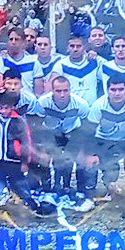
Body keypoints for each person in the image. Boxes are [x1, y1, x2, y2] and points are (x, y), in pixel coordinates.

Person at [30, 71, 93, 207]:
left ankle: (76, 189)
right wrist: (40, 148)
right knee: (49, 159)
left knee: (73, 160)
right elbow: (37, 126)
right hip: (50, 132)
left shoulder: (81, 104)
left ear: (70, 90)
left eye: (65, 90)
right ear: (52, 91)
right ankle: (48, 188)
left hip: (73, 132)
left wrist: (84, 150)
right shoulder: (42, 102)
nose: (62, 94)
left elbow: (87, 128)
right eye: (58, 91)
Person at [83, 75, 125, 200]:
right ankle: (90, 197)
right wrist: (91, 153)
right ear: (107, 91)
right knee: (98, 167)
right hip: (105, 141)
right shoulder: (98, 105)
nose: (117, 93)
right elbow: (89, 131)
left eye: (121, 89)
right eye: (113, 90)